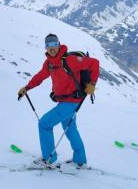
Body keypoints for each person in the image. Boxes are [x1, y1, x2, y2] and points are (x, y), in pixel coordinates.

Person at [18, 33, 100, 168]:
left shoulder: (70, 60)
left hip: (72, 101)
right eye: (48, 45)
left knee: (44, 124)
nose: (52, 48)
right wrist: (27, 88)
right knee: (70, 129)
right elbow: (40, 77)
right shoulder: (49, 63)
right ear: (45, 47)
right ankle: (80, 160)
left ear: (59, 44)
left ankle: (49, 159)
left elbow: (94, 63)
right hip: (64, 101)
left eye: (54, 44)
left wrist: (92, 83)